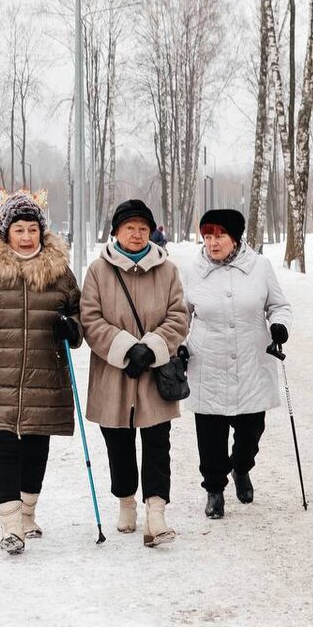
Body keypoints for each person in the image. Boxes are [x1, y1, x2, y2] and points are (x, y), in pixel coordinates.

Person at [0, 193, 82, 555]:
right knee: (3, 447)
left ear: (42, 231)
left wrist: (74, 329)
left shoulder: (60, 274)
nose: (27, 236)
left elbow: (80, 314)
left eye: (33, 229)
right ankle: (10, 525)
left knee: (37, 448)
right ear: (6, 232)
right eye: (19, 229)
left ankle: (27, 513)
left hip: (45, 377)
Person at [80, 199, 190, 547]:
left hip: (155, 375)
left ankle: (155, 514)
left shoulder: (168, 270)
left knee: (158, 444)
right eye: (130, 228)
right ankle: (126, 499)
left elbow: (179, 316)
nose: (137, 234)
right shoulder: (98, 271)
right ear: (116, 232)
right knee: (118, 444)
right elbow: (90, 318)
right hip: (114, 374)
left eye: (143, 228)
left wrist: (153, 347)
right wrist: (128, 349)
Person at [182, 209, 291, 518]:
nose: (213, 243)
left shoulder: (260, 267)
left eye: (220, 236)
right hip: (207, 361)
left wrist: (279, 325)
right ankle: (214, 490)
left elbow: (279, 305)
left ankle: (241, 469)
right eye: (207, 236)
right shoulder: (191, 270)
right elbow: (180, 315)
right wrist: (179, 346)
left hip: (251, 362)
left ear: (235, 237)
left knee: (250, 432)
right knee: (210, 434)